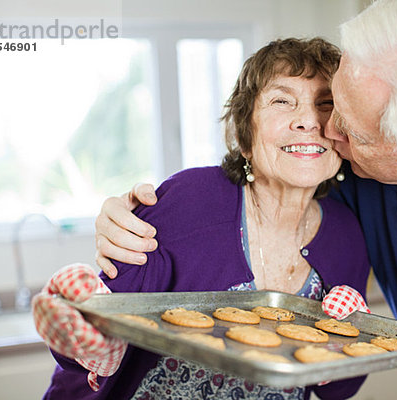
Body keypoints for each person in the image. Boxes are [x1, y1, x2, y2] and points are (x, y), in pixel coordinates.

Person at [95, 0, 397, 399]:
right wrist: (125, 210)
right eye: (334, 103)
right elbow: (265, 166)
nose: (326, 129)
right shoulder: (358, 169)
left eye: (344, 121)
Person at [33, 37, 371, 400]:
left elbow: (340, 389)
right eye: (282, 101)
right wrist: (84, 321)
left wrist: (344, 339)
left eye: (327, 104)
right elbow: (96, 336)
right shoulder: (192, 198)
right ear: (245, 134)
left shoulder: (346, 232)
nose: (308, 120)